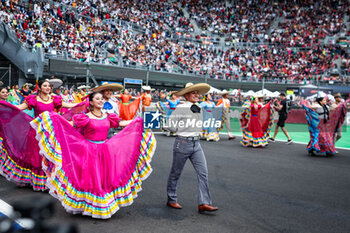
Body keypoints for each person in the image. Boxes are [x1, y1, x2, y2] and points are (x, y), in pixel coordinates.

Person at [30, 92, 156, 218]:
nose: (101, 101)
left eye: (101, 99)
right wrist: (55, 119)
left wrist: (136, 121)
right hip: (88, 152)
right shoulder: (85, 117)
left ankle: (100, 204)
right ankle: (86, 205)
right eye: (97, 99)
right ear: (91, 102)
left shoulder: (108, 116)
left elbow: (121, 123)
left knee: (103, 179)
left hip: (105, 150)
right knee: (91, 179)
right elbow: (70, 125)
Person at [0, 80, 77, 191]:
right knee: (36, 157)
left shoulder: (54, 99)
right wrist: (4, 106)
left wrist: (82, 104)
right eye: (44, 86)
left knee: (50, 156)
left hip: (51, 132)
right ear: (39, 87)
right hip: (36, 133)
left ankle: (49, 181)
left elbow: (69, 105)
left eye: (49, 86)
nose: (47, 88)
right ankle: (37, 181)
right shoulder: (33, 99)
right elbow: (19, 108)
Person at [165, 82, 218, 213]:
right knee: (175, 173)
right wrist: (181, 128)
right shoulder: (181, 108)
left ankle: (204, 203)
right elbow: (170, 126)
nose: (196, 95)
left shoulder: (199, 107)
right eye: (193, 92)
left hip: (196, 144)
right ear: (186, 95)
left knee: (203, 173)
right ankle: (171, 199)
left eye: (197, 93)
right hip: (182, 142)